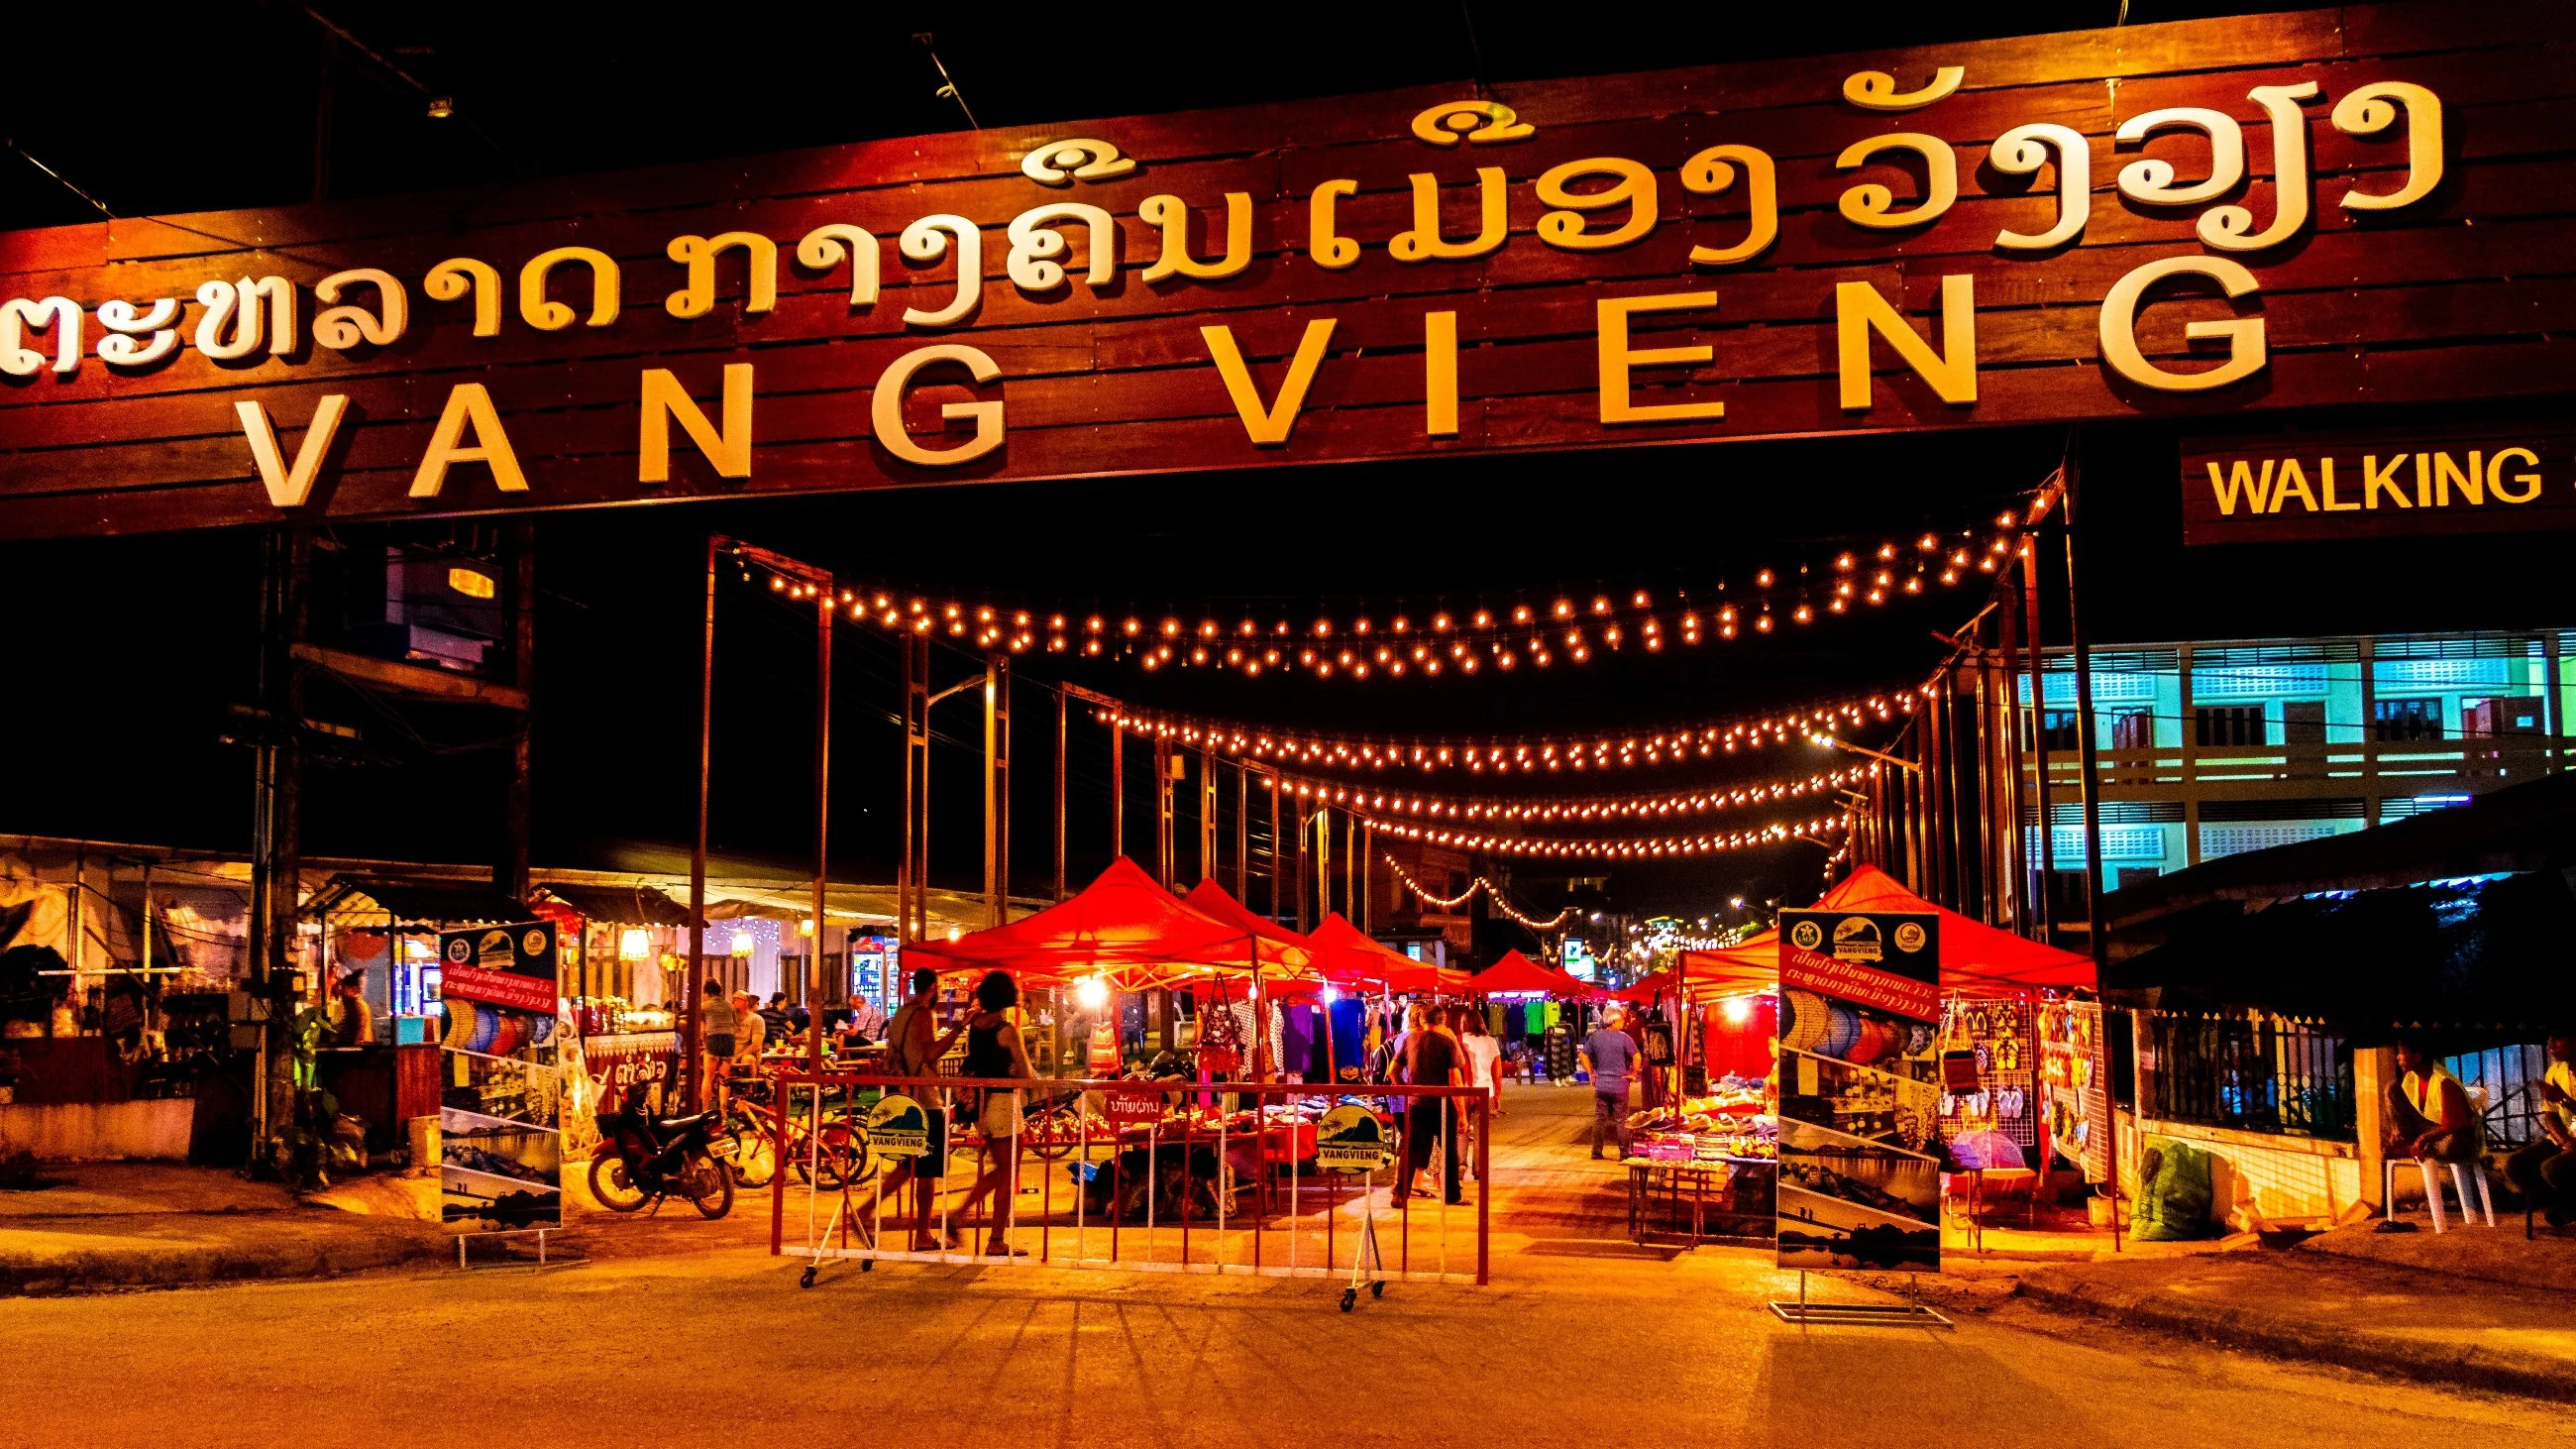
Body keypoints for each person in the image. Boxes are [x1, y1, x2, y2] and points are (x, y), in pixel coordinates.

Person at [950, 970, 1034, 1257]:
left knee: (1002, 1169)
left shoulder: (976, 1024)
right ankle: (991, 1236)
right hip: (1003, 1104)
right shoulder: (1006, 1030)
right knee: (1007, 1172)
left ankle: (963, 1216)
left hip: (981, 1106)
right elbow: (1025, 1073)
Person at [878, 968, 952, 1252]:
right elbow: (929, 1053)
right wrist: (957, 1030)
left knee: (908, 1166)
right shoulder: (922, 1014)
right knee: (926, 1170)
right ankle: (922, 1233)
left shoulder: (900, 1015)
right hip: (924, 1097)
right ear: (932, 987)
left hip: (904, 1096)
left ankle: (863, 1211)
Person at [2506, 1030, 2576, 1228]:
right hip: (2568, 1138)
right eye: (2549, 1039)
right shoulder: (2556, 1071)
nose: (2551, 1045)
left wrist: (2564, 1099)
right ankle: (2561, 1203)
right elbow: (2550, 1115)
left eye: (2558, 1038)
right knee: (2515, 1164)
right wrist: (2564, 1140)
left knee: (2552, 1168)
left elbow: (2561, 1103)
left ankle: (2565, 1205)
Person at [1396, 1002, 1464, 1205]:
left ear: (1422, 1021)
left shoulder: (1409, 1040)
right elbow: (1455, 1080)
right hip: (1441, 1104)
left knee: (1411, 1149)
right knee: (1449, 1150)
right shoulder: (1447, 1042)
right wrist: (1462, 1113)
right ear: (1442, 1022)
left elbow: (1393, 1070)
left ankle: (1400, 1194)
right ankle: (1451, 1195)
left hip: (1416, 1104)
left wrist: (1405, 1088)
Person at [2384, 1037, 2480, 1169]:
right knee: (2392, 1089)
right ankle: (2408, 1143)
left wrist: (2424, 1138)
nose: (2398, 1057)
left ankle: (2417, 1149)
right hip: (2433, 1128)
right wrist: (2401, 1134)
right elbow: (2413, 1113)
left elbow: (2451, 1125)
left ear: (2417, 1057)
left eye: (2401, 1052)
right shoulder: (2411, 1078)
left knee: (2451, 1145)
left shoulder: (2444, 1082)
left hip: (2457, 1135)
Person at [1581, 1006, 1641, 1161]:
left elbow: (1583, 1055)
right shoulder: (1624, 1038)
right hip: (1619, 1085)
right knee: (1621, 1120)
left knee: (1600, 1119)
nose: (1623, 1023)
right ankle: (1624, 1153)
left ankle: (1596, 1152)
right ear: (1614, 1021)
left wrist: (1591, 1073)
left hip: (1602, 1085)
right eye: (1621, 1020)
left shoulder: (1595, 1037)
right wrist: (1633, 1074)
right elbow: (1637, 1057)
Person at [698, 978, 740, 1108]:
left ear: (707, 993)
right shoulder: (729, 1005)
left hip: (714, 1039)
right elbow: (734, 1025)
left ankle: (705, 1110)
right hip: (729, 1040)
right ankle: (723, 1111)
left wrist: (704, 1043)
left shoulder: (705, 1006)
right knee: (724, 1079)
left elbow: (702, 1030)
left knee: (708, 1077)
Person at [326, 972, 374, 1047]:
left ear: (353, 989)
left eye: (345, 988)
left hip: (358, 1049)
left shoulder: (356, 1005)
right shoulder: (360, 1004)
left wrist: (355, 1044)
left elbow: (359, 1028)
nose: (342, 991)